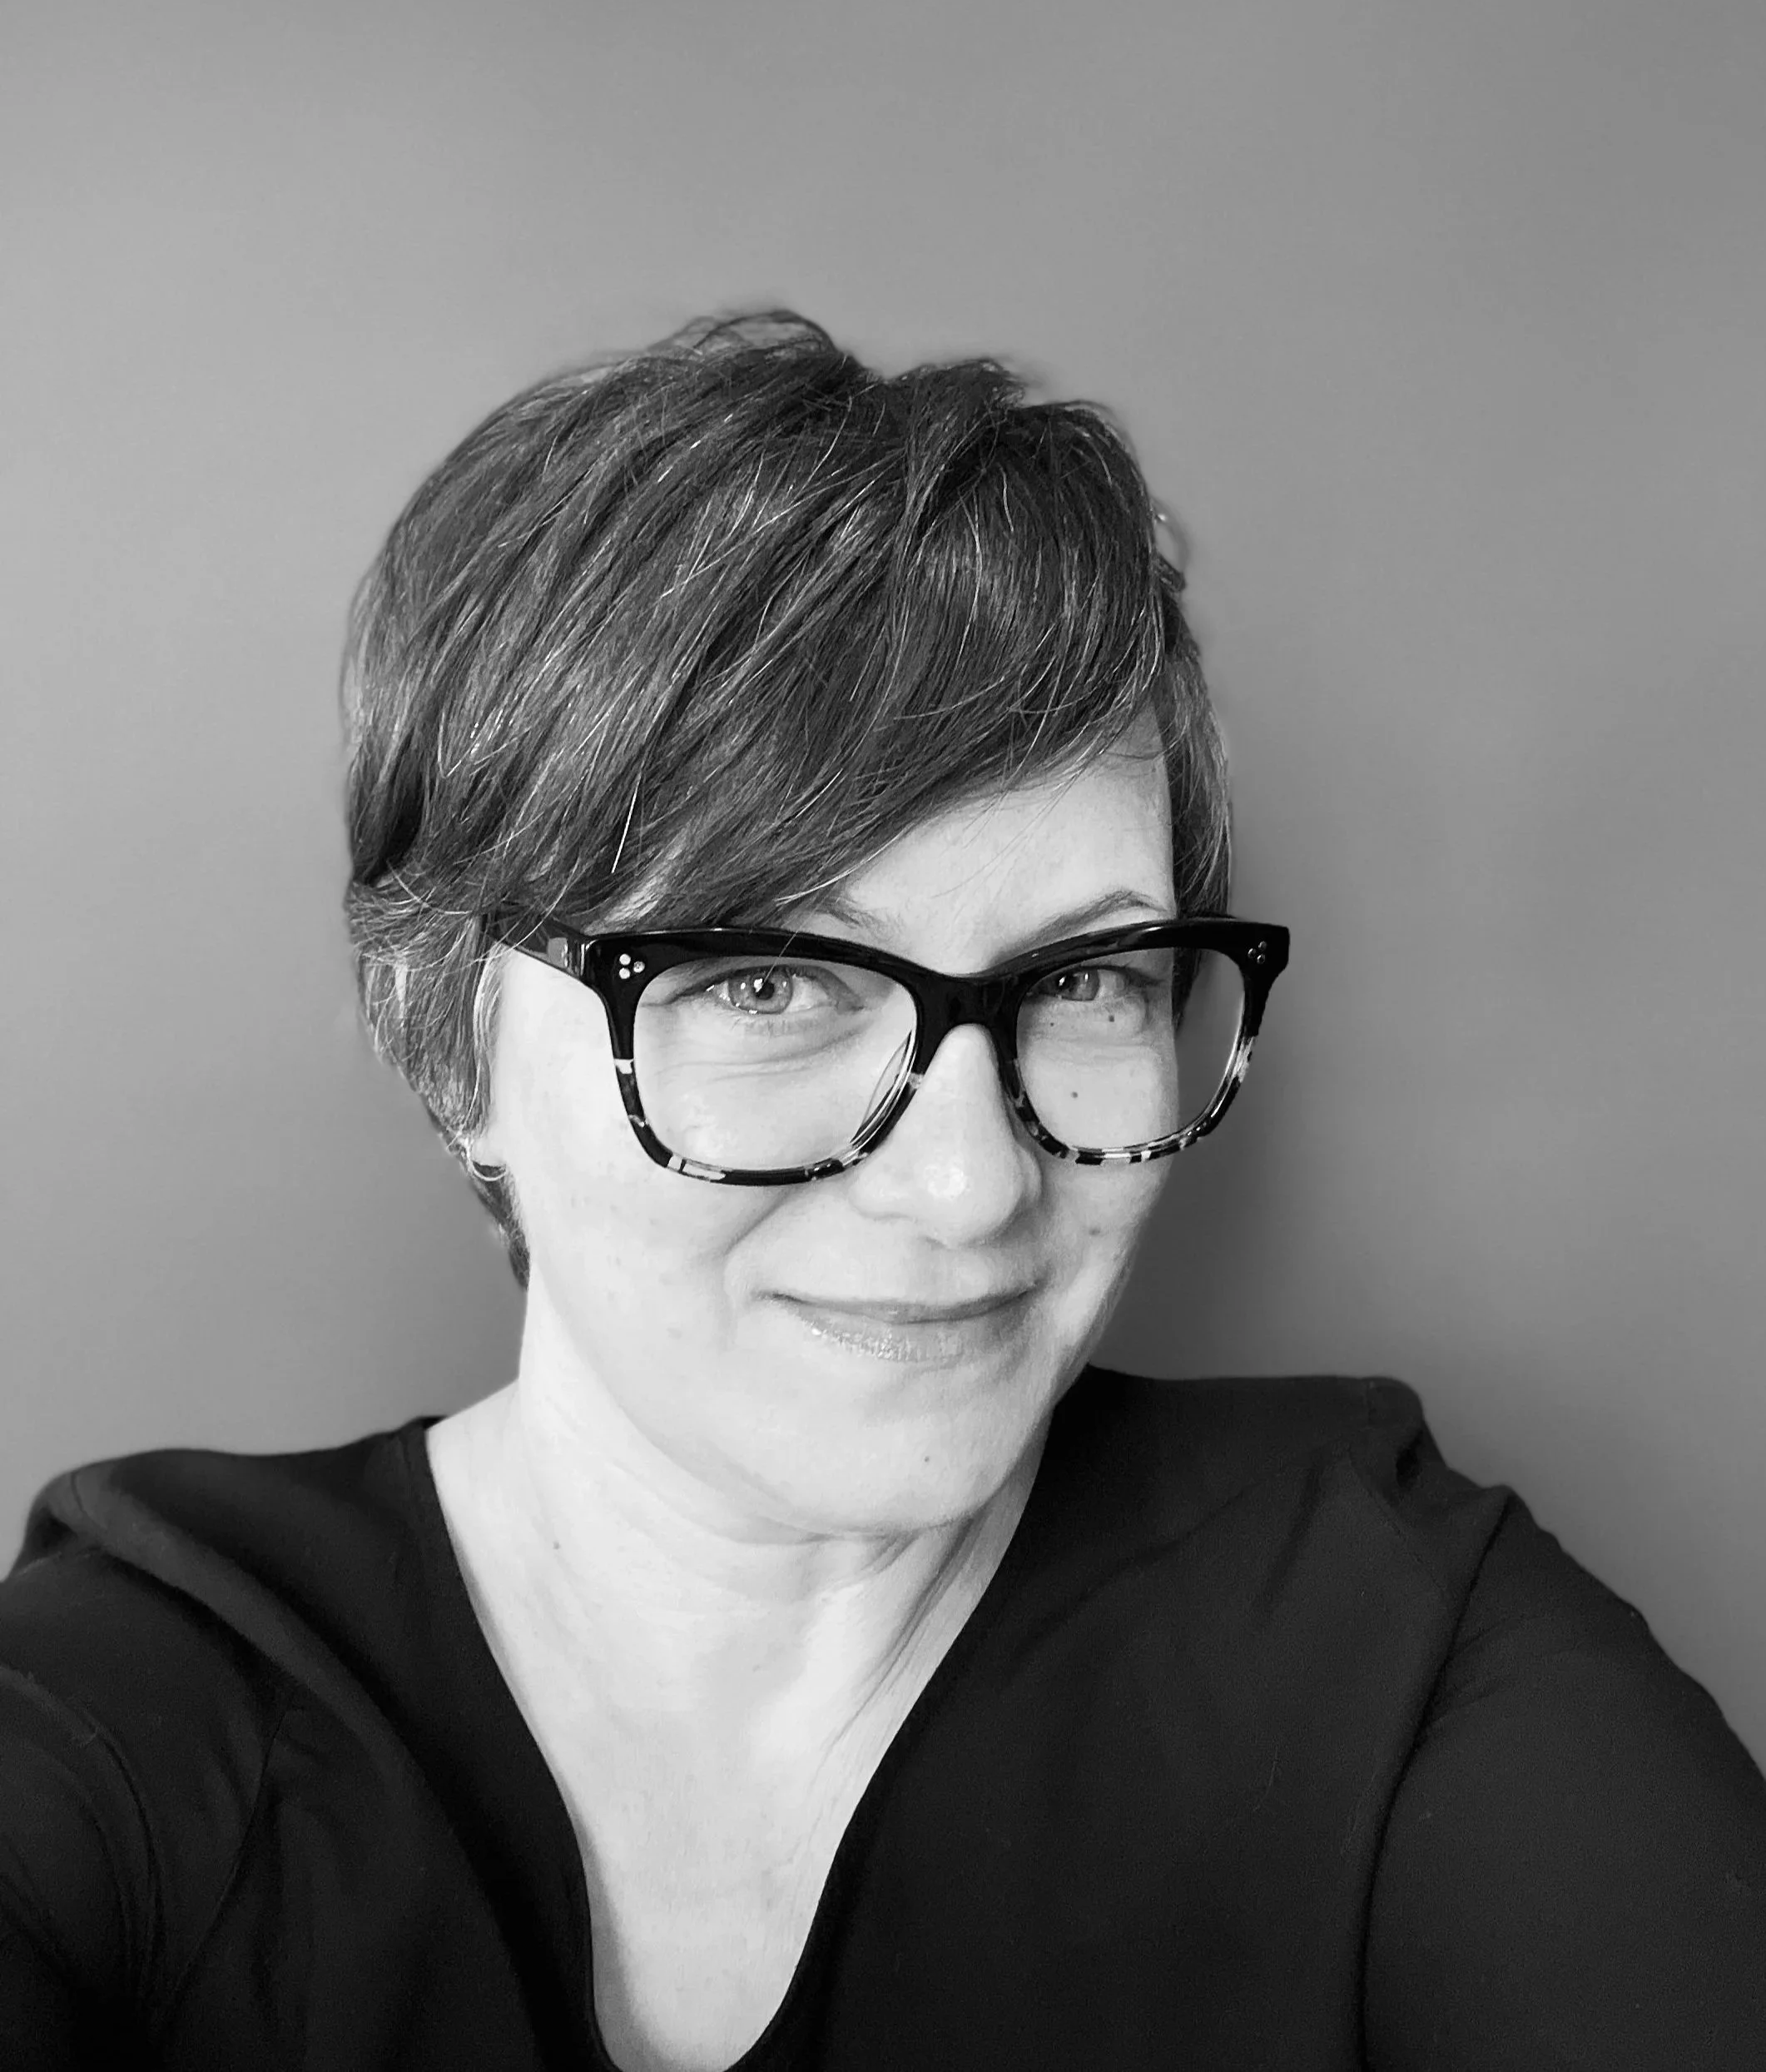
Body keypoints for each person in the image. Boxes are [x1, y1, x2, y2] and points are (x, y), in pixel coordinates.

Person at [2, 312, 1763, 2072]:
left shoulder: (1395, 1656)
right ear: (446, 1040)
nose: (967, 1177)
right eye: (764, 982)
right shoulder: (130, 1719)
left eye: (1083, 983)